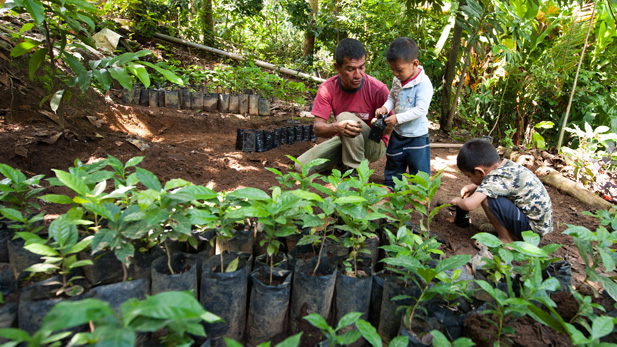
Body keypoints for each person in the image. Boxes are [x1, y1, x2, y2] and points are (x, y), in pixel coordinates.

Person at [294, 38, 391, 173]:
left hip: (373, 145)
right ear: (337, 67)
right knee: (301, 166)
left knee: (344, 116)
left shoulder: (378, 89)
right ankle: (341, 164)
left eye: (361, 67)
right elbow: (318, 128)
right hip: (344, 140)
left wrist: (382, 125)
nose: (358, 75)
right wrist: (337, 128)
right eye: (350, 69)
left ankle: (356, 171)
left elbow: (391, 129)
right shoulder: (327, 88)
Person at [450, 139, 553, 244]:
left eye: (469, 176)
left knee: (487, 199)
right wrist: (473, 186)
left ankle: (506, 239)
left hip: (530, 232)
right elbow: (496, 184)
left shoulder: (494, 179)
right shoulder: (506, 166)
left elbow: (469, 205)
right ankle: (508, 230)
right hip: (537, 227)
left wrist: (457, 201)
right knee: (488, 194)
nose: (470, 179)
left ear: (479, 171)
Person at [374, 37, 433, 189]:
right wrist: (385, 108)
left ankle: (420, 192)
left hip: (417, 136)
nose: (396, 73)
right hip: (399, 134)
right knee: (394, 160)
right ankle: (391, 185)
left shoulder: (424, 84)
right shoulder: (397, 80)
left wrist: (397, 118)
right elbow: (392, 98)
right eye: (393, 70)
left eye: (399, 70)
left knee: (419, 166)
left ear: (415, 64)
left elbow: (421, 109)